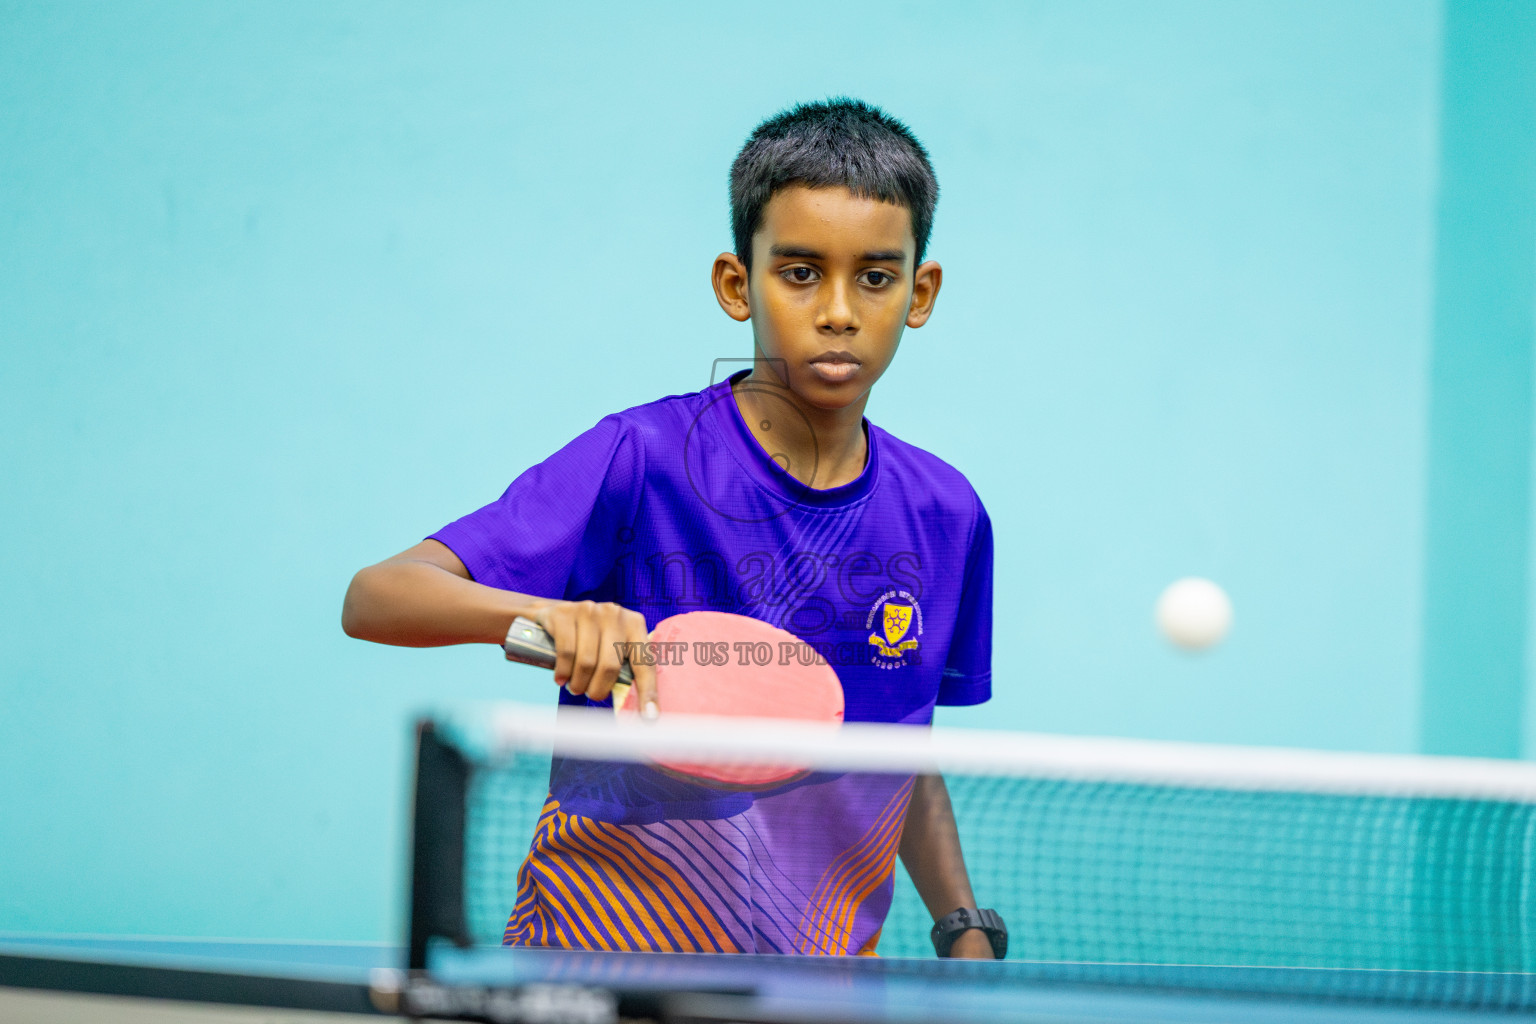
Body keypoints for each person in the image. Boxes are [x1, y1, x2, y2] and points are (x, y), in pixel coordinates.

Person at [343, 98, 999, 959]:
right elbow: (378, 596)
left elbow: (895, 743)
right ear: (737, 284)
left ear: (921, 292)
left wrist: (961, 923)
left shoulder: (947, 515)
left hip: (817, 985)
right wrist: (548, 617)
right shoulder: (640, 457)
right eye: (800, 272)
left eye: (874, 277)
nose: (838, 310)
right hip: (597, 966)